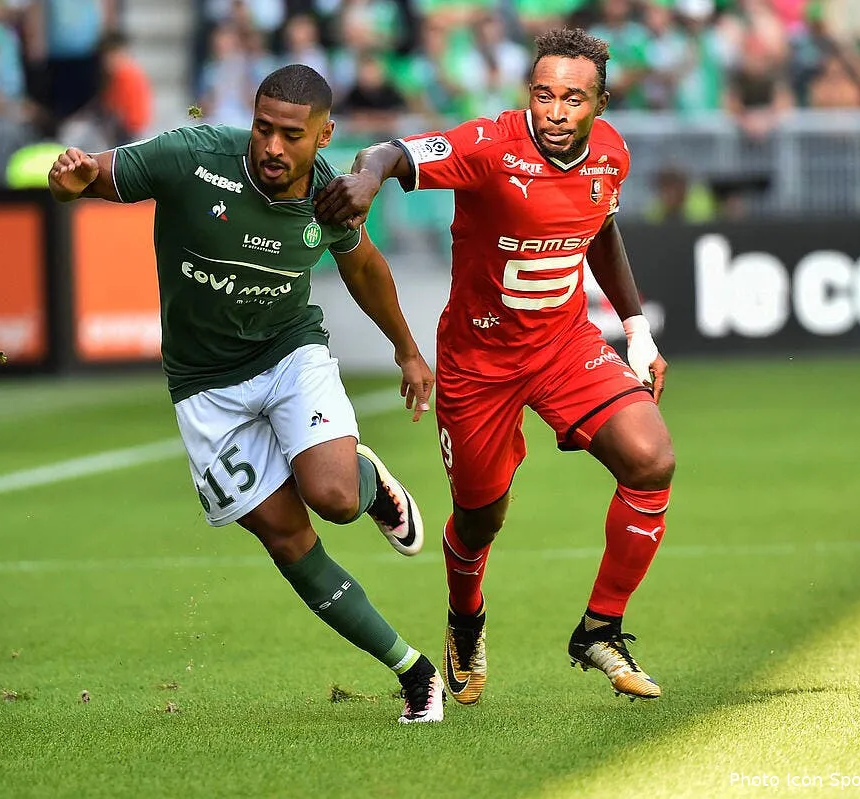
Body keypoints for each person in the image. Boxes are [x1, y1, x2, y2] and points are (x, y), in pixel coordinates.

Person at [48, 64, 445, 723]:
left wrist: (407, 349)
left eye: (291, 134)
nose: (271, 146)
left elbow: (365, 265)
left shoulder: (330, 197)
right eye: (263, 128)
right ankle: (414, 672)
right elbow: (94, 175)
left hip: (289, 352)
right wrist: (71, 181)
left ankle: (368, 485)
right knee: (289, 539)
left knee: (335, 497)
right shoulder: (192, 157)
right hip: (204, 387)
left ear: (324, 137)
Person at [314, 28, 676, 704]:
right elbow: (390, 152)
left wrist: (637, 329)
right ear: (527, 95)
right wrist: (365, 178)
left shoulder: (610, 156)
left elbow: (602, 231)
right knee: (480, 519)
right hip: (479, 366)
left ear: (600, 104)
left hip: (566, 345)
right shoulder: (490, 146)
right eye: (544, 94)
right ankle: (465, 615)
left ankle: (601, 626)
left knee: (651, 458)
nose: (556, 111)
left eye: (574, 98)